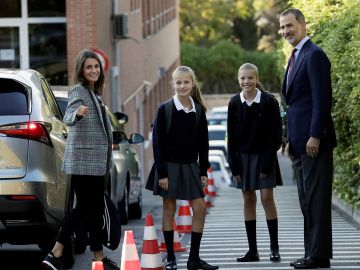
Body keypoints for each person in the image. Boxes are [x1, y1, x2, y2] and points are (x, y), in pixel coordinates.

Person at [42, 49, 119, 270]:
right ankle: (57, 250)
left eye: (96, 66)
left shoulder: (95, 93)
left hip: (94, 163)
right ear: (81, 70)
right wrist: (77, 114)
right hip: (84, 162)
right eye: (89, 67)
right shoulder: (79, 90)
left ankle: (98, 257)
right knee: (85, 208)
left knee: (91, 209)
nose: (94, 70)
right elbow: (69, 115)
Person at [279, 8, 337, 269]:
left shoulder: (314, 55)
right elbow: (295, 103)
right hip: (299, 144)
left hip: (315, 143)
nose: (285, 31)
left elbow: (322, 101)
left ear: (303, 24)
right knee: (306, 201)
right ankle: (312, 253)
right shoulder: (295, 56)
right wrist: (290, 138)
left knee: (316, 201)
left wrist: (315, 135)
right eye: (282, 28)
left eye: (289, 26)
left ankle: (319, 256)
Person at [148, 66, 218, 270]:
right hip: (168, 168)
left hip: (191, 167)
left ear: (192, 83)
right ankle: (170, 258)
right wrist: (162, 173)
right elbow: (157, 144)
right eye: (178, 82)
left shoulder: (198, 110)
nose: (182, 86)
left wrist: (203, 170)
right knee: (169, 209)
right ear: (173, 84)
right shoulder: (165, 109)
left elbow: (203, 143)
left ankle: (194, 259)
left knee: (200, 208)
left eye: (186, 82)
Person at [227, 63, 283, 263]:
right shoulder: (234, 102)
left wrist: (267, 162)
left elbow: (276, 135)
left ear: (257, 79)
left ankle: (274, 248)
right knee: (248, 200)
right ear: (238, 79)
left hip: (264, 156)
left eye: (250, 78)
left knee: (267, 198)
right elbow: (231, 138)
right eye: (242, 78)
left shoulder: (269, 102)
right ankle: (253, 251)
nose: (246, 82)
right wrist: (234, 166)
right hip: (242, 158)